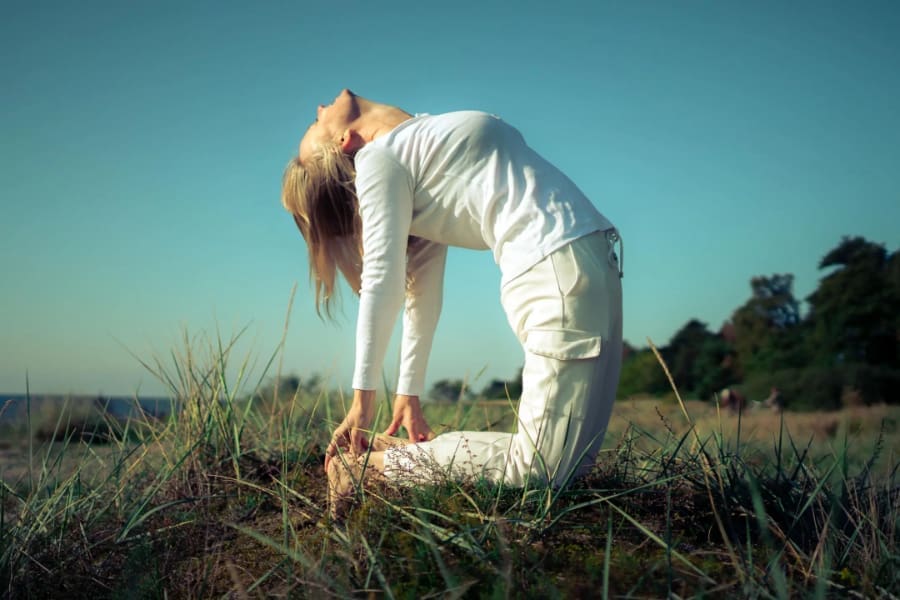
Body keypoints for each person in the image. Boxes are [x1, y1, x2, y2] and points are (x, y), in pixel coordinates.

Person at [282, 89, 623, 514]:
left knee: (576, 463)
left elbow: (424, 292)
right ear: (344, 142)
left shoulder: (419, 139)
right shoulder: (378, 160)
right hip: (554, 272)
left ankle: (394, 458)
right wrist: (363, 400)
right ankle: (369, 469)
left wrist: (408, 394)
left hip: (594, 264)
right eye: (315, 124)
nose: (317, 109)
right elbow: (384, 281)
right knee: (542, 471)